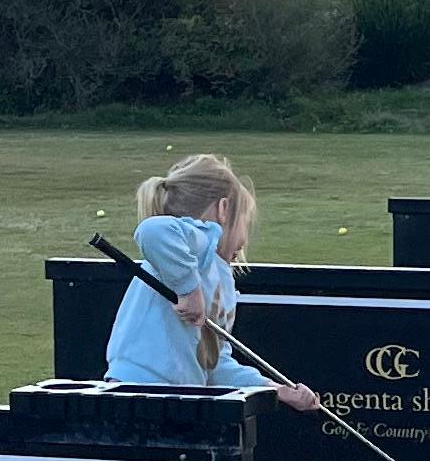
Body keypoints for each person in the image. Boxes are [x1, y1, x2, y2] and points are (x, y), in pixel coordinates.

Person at [102, 154, 323, 410]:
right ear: (223, 209)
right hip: (137, 391)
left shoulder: (220, 276)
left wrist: (275, 389)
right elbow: (151, 231)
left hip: (178, 399)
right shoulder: (200, 241)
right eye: (245, 222)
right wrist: (189, 289)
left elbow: (215, 366)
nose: (245, 237)